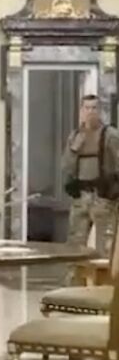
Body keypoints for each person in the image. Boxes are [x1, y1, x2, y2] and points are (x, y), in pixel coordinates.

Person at [63, 94, 119, 260]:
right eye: (87, 108)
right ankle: (73, 276)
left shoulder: (110, 135)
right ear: (81, 111)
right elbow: (66, 167)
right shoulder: (75, 136)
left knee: (105, 249)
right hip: (81, 198)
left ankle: (106, 276)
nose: (90, 112)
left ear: (100, 111)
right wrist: (74, 149)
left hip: (102, 198)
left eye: (94, 108)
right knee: (74, 247)